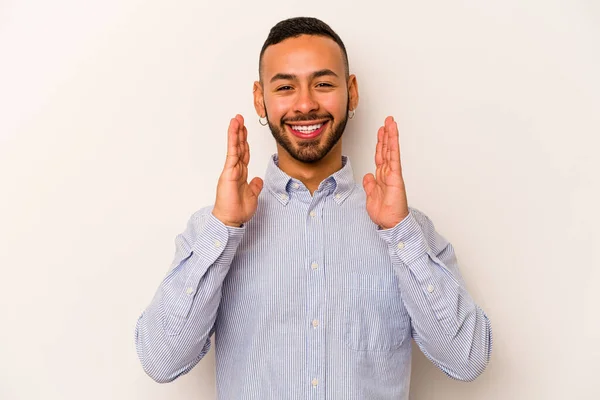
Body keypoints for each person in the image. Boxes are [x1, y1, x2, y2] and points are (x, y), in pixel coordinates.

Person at [135, 16, 492, 399]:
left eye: (323, 84)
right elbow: (162, 361)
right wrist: (223, 228)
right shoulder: (214, 230)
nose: (305, 104)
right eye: (285, 87)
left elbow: (466, 361)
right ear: (260, 99)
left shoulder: (407, 231)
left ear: (351, 92)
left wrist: (398, 232)